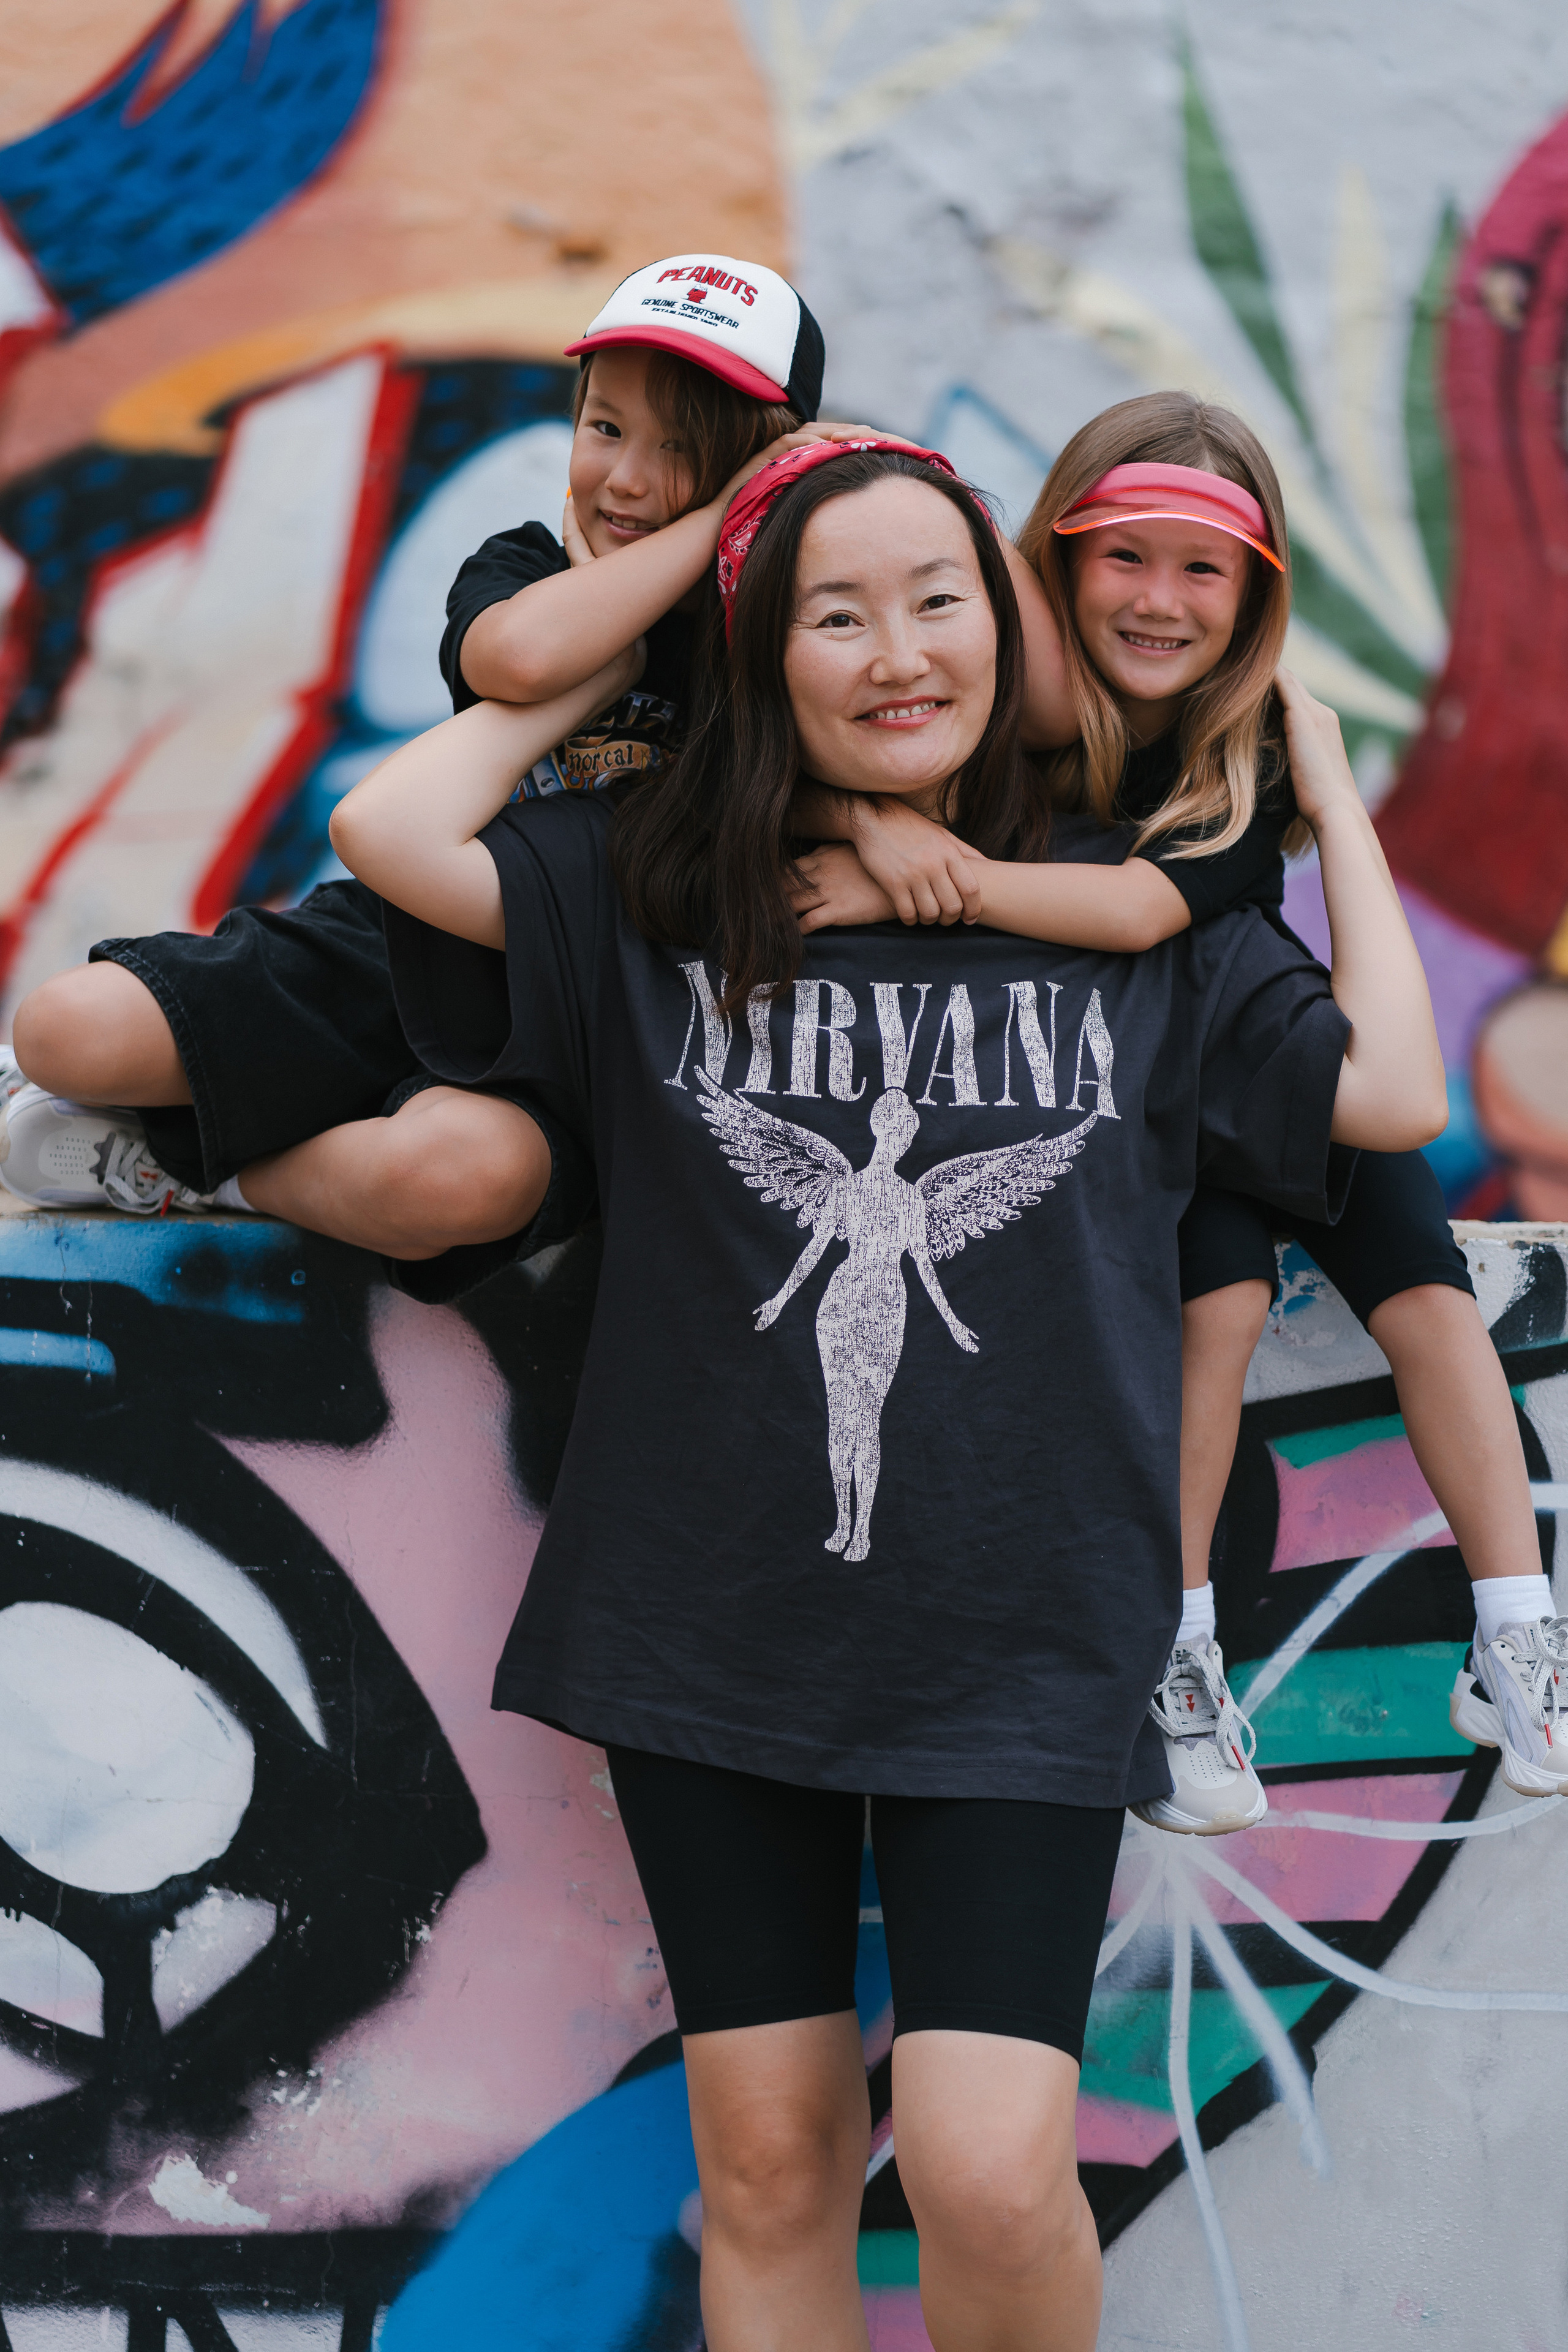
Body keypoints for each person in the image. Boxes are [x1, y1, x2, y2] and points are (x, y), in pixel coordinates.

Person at [326, 437, 1444, 2352]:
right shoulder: (673, 884)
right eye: (833, 616)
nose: (899, 652)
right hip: (709, 1618)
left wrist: (1329, 797)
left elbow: (1395, 1098)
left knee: (990, 2169)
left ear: (1008, 628)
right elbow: (392, 828)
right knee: (768, 2166)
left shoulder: (1126, 904)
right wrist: (664, 620)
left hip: (1024, 1632)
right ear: (765, 651)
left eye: (940, 600)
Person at [790, 393, 1566, 1831]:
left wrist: (948, 878)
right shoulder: (986, 701)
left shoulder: (1243, 747)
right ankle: (1179, 1649)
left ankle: (1518, 1634)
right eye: (1123, 558)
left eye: (1200, 569)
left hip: (1240, 1029)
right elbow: (823, 735)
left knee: (1423, 1286)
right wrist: (869, 822)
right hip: (1133, 1076)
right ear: (1058, 561)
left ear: (1252, 594)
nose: (1158, 600)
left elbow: (1146, 911)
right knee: (1213, 1303)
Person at [0, 253, 833, 1297]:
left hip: (592, 1021)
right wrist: (714, 523)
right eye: (605, 427)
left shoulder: (784, 620)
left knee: (445, 1183)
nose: (626, 479)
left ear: (768, 460)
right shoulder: (524, 566)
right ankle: (236, 1119)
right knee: (63, 1031)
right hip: (407, 948)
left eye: (684, 450)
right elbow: (522, 658)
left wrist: (756, 523)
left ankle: (197, 1174)